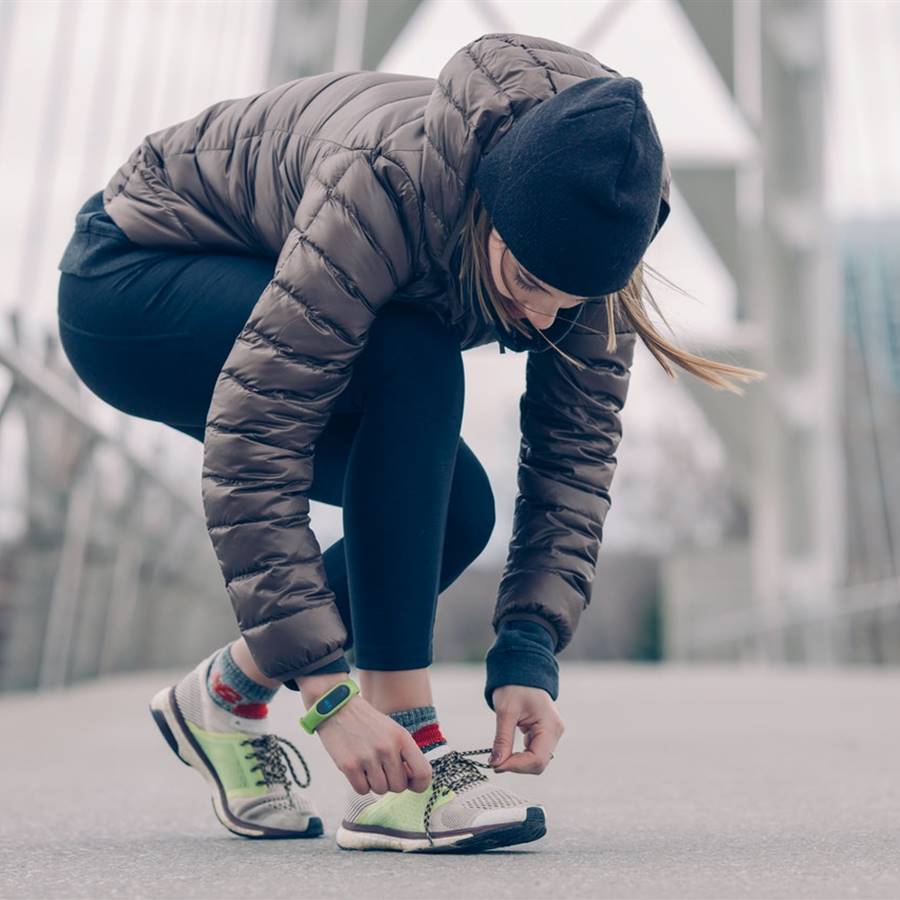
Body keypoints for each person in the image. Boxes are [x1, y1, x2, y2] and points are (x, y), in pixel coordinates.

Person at [55, 31, 763, 853]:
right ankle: (409, 753)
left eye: (569, 301)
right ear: (491, 211)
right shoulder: (385, 184)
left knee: (454, 510)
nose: (542, 319)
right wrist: (327, 694)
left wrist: (529, 650)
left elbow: (573, 457)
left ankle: (225, 693)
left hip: (263, 298)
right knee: (414, 352)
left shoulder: (599, 232)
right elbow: (257, 441)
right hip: (132, 279)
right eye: (529, 284)